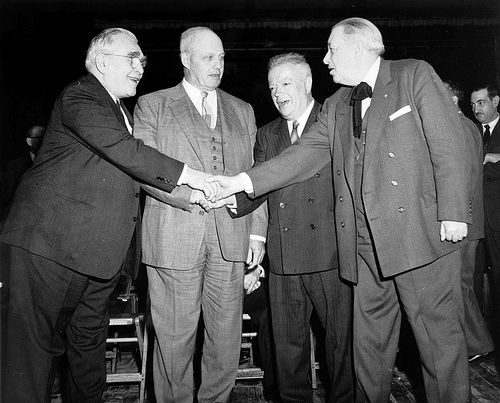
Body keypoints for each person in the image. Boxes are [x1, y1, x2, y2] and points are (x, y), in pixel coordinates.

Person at [209, 17, 473, 403]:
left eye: (331, 50)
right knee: (368, 352)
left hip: (419, 239)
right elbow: (300, 156)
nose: (326, 59)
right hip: (363, 249)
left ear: (357, 47)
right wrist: (241, 182)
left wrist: (453, 212)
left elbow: (448, 144)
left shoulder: (413, 75)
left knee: (438, 348)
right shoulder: (336, 104)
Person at [0, 27, 218, 403]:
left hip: (96, 258)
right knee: (31, 357)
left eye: (143, 60)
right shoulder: (80, 96)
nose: (141, 67)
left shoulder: (122, 111)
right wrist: (196, 177)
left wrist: (190, 197)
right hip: (48, 249)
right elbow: (129, 153)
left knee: (87, 357)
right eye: (132, 58)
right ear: (102, 62)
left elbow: (136, 173)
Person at [132, 26, 268, 403]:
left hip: (232, 240)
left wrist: (257, 233)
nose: (218, 65)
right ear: (185, 59)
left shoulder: (243, 110)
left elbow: (258, 175)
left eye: (222, 57)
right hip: (174, 238)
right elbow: (144, 168)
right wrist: (190, 195)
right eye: (209, 57)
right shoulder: (152, 105)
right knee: (174, 343)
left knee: (225, 344)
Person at [234, 52, 353, 402]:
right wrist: (221, 197)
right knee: (288, 351)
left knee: (340, 348)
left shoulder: (333, 121)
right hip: (284, 259)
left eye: (286, 83)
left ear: (308, 83)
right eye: (272, 87)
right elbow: (258, 187)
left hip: (331, 256)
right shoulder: (267, 134)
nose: (278, 93)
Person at [444, 80, 494, 363]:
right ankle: (472, 343)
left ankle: (477, 344)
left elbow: (460, 177)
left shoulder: (459, 128)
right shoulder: (465, 127)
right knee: (459, 283)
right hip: (466, 219)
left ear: (451, 99)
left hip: (463, 220)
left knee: (459, 284)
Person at [471, 83, 500, 347]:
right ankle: (479, 342)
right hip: (474, 219)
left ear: (495, 101)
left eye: (481, 102)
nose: (476, 109)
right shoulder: (470, 131)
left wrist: (495, 158)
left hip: (497, 217)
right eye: (473, 105)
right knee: (473, 277)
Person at [242, 264, 278, 401]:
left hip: (258, 285)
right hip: (221, 285)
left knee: (272, 311)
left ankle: (272, 382)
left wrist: (257, 271)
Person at [0, 125, 45, 220]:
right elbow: (8, 201)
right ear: (29, 141)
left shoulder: (52, 162)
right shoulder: (14, 167)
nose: (45, 141)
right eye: (41, 138)